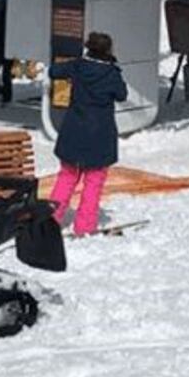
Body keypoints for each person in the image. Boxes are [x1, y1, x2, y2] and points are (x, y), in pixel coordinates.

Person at [47, 32, 128, 236]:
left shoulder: (78, 66)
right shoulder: (111, 74)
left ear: (88, 48)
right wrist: (113, 68)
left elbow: (54, 71)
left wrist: (75, 60)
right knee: (93, 184)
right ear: (108, 50)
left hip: (74, 131)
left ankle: (51, 220)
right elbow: (122, 95)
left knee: (66, 179)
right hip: (100, 136)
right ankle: (84, 226)